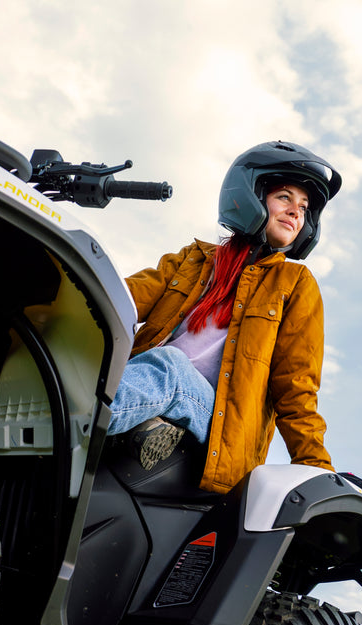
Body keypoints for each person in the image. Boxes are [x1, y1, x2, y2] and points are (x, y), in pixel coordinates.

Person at [109, 141, 348, 496]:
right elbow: (120, 299)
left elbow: (296, 386)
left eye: (304, 207)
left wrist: (318, 472)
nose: (296, 212)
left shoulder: (295, 284)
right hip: (151, 387)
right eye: (285, 197)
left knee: (171, 365)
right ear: (251, 194)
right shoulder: (193, 260)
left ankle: (72, 417)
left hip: (219, 423)